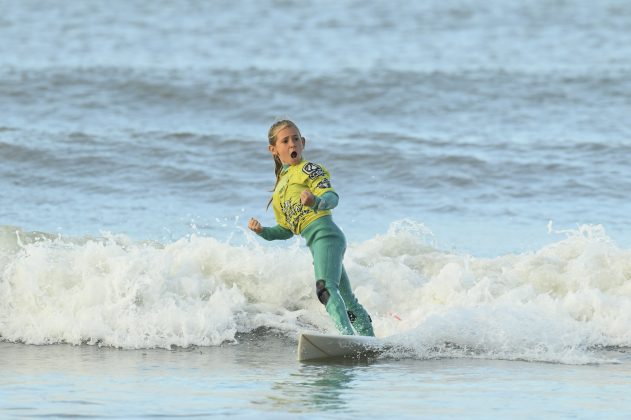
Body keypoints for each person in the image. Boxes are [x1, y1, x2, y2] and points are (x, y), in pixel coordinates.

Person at [248, 119, 374, 336]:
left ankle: (347, 338)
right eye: (285, 140)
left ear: (303, 143)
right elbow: (286, 230)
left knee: (325, 289)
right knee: (346, 297)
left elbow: (332, 197)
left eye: (296, 139)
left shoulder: (309, 169)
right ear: (273, 149)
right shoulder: (279, 191)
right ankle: (368, 339)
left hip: (327, 236)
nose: (292, 144)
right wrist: (263, 231)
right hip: (318, 245)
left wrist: (316, 201)